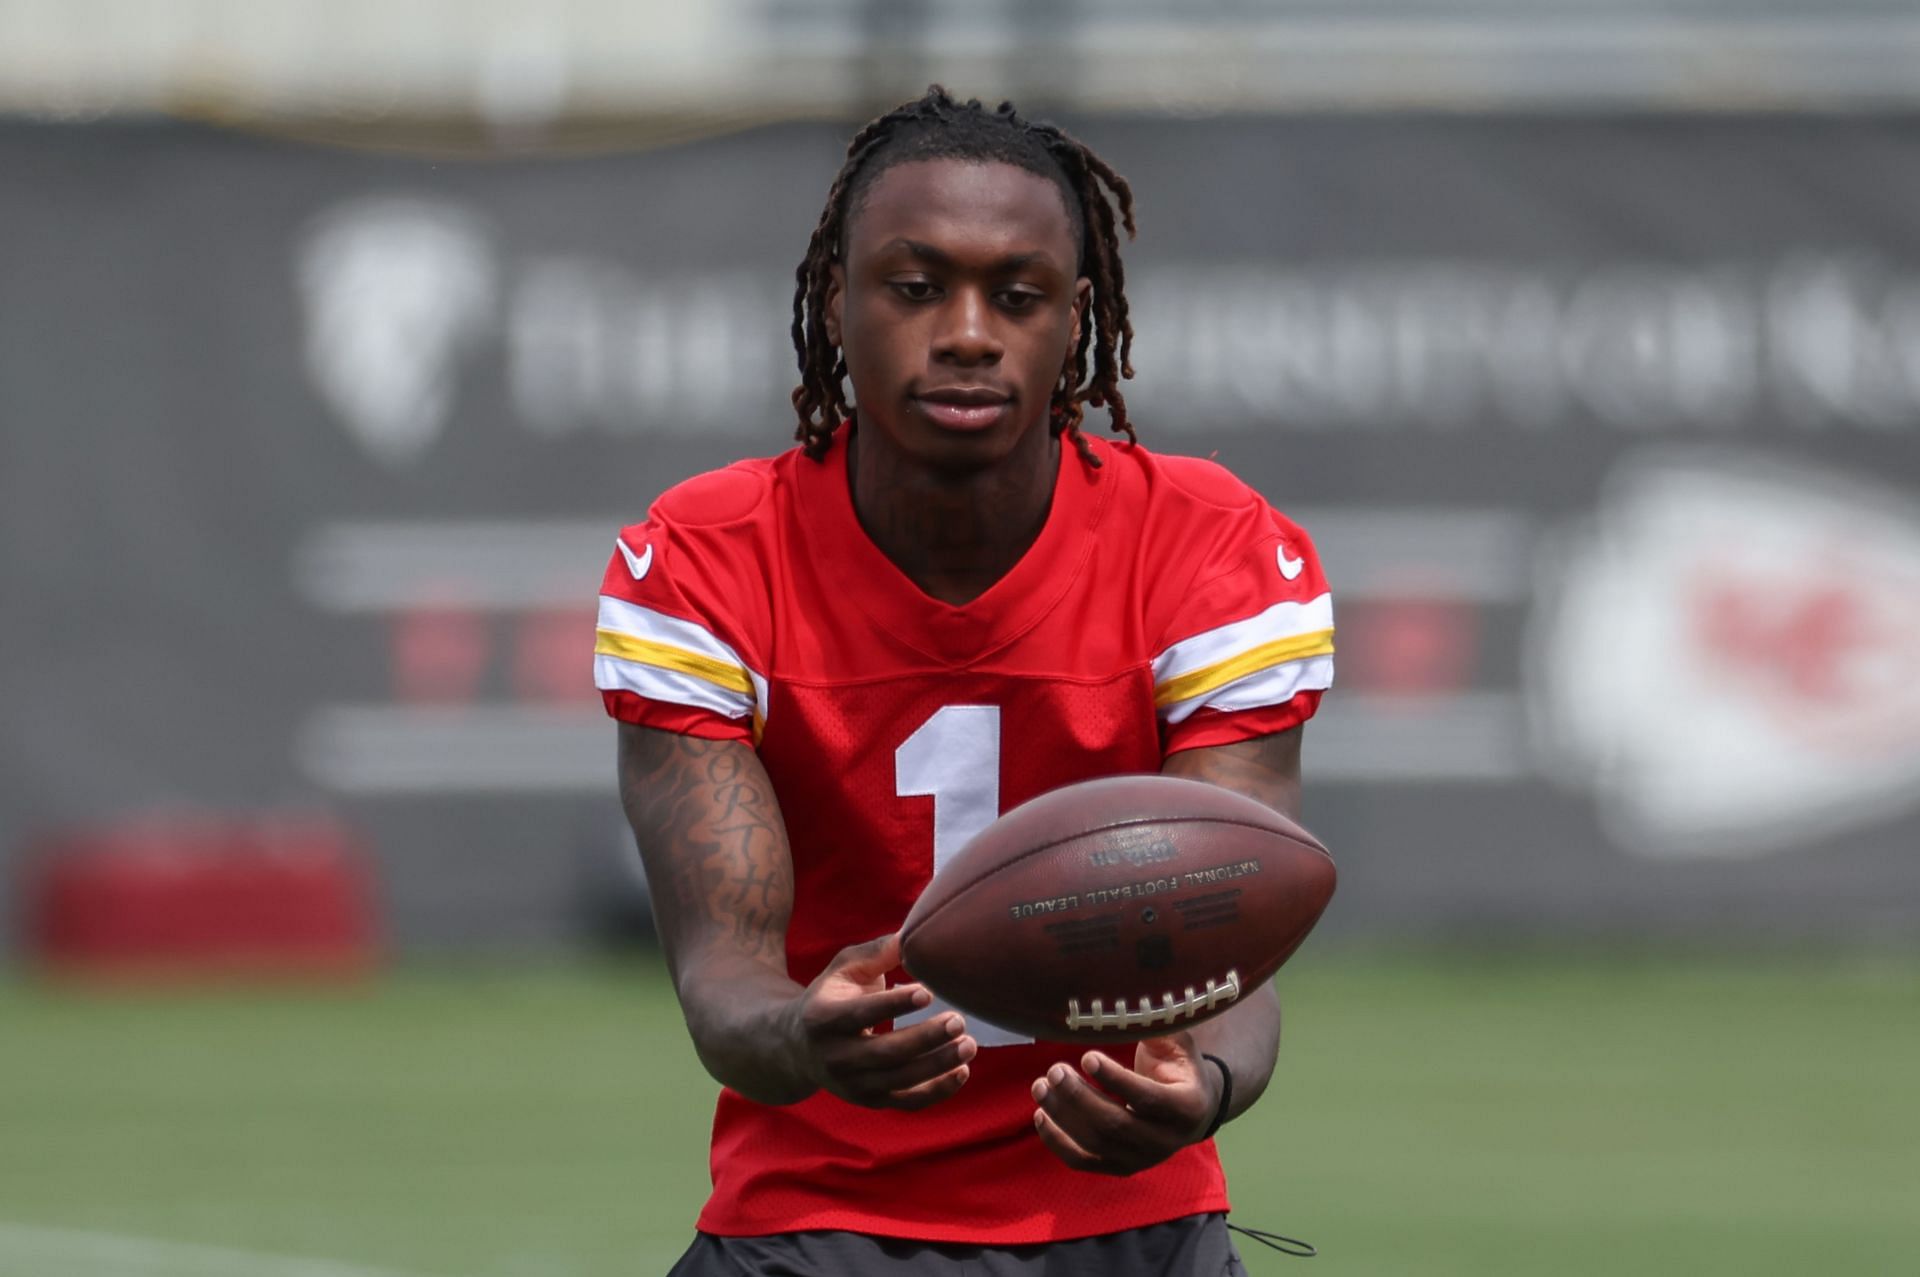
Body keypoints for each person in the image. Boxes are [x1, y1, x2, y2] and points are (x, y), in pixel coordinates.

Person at [595, 86, 1334, 1275]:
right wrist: (804, 1030)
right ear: (837, 304)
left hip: (1131, 1231)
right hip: (808, 1231)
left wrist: (1201, 1084)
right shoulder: (707, 558)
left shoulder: (1209, 548)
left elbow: (1231, 939)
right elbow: (723, 976)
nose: (971, 332)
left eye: (1019, 294)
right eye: (916, 285)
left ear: (1075, 320)